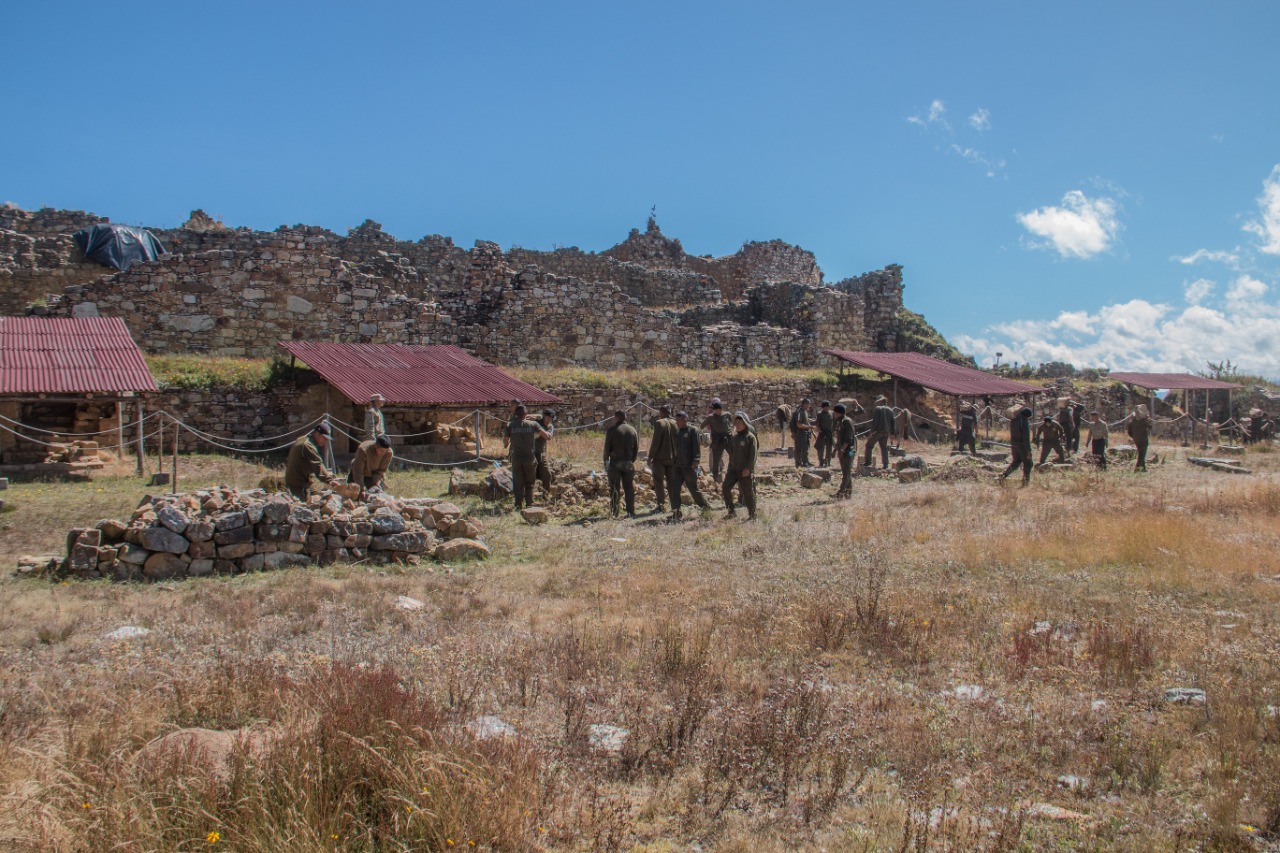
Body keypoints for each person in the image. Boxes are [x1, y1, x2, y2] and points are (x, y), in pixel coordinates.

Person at [503, 404, 548, 511]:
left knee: (518, 483)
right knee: (530, 482)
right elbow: (545, 435)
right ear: (526, 414)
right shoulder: (533, 424)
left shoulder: (510, 425)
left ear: (515, 414)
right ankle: (529, 504)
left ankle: (518, 505)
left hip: (517, 458)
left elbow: (505, 443)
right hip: (529, 457)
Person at [670, 411, 710, 519]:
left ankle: (706, 508)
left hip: (689, 466)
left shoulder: (692, 431)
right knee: (674, 488)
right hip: (678, 465)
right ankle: (676, 512)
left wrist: (696, 460)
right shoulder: (678, 432)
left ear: (685, 420)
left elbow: (695, 446)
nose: (677, 422)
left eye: (679, 420)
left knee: (693, 489)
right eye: (676, 420)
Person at [285, 423, 336, 500]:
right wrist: (331, 481)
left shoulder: (302, 439)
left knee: (317, 495)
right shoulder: (308, 446)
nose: (326, 441)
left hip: (298, 481)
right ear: (316, 434)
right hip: (298, 485)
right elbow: (317, 465)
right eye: (324, 438)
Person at [604, 410, 639, 518]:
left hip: (615, 463)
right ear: (625, 417)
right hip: (628, 463)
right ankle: (631, 512)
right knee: (629, 488)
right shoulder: (632, 430)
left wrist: (606, 461)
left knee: (615, 488)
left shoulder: (612, 430)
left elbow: (607, 449)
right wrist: (631, 460)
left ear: (616, 418)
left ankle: (615, 512)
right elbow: (636, 449)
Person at [723, 411, 757, 519]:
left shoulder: (750, 438)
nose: (737, 424)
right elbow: (731, 454)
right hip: (733, 470)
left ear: (745, 423)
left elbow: (753, 456)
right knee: (725, 488)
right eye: (736, 422)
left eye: (739, 422)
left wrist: (748, 468)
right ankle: (731, 511)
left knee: (748, 493)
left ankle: (752, 515)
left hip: (745, 471)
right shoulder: (734, 438)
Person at [648, 405, 678, 513]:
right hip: (673, 458)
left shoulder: (659, 423)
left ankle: (661, 506)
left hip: (660, 458)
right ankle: (675, 506)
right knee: (672, 482)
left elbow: (655, 442)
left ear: (661, 412)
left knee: (659, 482)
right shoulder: (676, 423)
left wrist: (650, 456)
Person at [999, 406, 1033, 485]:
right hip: (1021, 446)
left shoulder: (1014, 419)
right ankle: (1025, 483)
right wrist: (1028, 451)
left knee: (1016, 462)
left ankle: (1004, 475)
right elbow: (1026, 438)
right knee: (1028, 463)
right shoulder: (1024, 421)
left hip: (1014, 445)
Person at [700, 399, 732, 484]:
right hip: (717, 441)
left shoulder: (727, 414)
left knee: (734, 455)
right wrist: (703, 436)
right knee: (716, 460)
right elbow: (702, 426)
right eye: (716, 410)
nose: (718, 411)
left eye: (719, 409)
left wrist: (734, 431)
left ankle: (732, 473)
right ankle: (715, 478)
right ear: (714, 410)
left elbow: (735, 422)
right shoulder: (710, 417)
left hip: (727, 439)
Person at [833, 403, 858, 499]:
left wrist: (842, 450)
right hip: (842, 450)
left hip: (850, 450)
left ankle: (840, 492)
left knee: (847, 471)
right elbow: (839, 439)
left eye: (835, 412)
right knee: (845, 472)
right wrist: (835, 450)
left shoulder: (847, 421)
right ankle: (848, 493)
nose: (834, 414)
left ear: (838, 413)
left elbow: (849, 438)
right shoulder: (840, 422)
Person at [863, 395, 894, 470]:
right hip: (886, 432)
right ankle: (886, 465)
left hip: (878, 432)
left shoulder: (878, 409)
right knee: (884, 448)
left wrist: (871, 432)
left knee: (869, 446)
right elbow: (893, 423)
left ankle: (868, 463)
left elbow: (875, 422)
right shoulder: (890, 410)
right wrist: (892, 433)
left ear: (880, 401)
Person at [534, 409, 555, 494]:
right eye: (547, 418)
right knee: (531, 475)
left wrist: (539, 430)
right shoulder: (536, 422)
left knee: (547, 475)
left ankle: (546, 494)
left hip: (541, 453)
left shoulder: (549, 426)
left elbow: (548, 436)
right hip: (531, 452)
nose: (548, 420)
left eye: (550, 419)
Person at [790, 398, 813, 467]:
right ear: (805, 404)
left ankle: (805, 461)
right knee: (800, 448)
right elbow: (799, 425)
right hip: (800, 433)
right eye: (808, 404)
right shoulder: (800, 412)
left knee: (805, 448)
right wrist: (809, 427)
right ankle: (800, 463)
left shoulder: (805, 412)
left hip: (805, 433)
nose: (809, 406)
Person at [1126, 404, 1150, 471]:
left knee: (1141, 453)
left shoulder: (1132, 421)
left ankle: (1143, 468)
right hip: (1143, 440)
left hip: (1136, 440)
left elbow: (1129, 432)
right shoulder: (1143, 420)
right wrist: (1148, 418)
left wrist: (1134, 437)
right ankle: (1137, 468)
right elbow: (1150, 426)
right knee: (1142, 454)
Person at [815, 400, 835, 467]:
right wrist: (820, 431)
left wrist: (834, 431)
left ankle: (828, 462)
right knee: (820, 448)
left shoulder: (831, 413)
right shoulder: (819, 414)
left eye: (828, 407)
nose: (827, 408)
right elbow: (817, 424)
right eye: (826, 407)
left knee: (829, 448)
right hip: (822, 433)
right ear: (823, 407)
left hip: (829, 432)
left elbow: (834, 423)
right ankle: (821, 461)